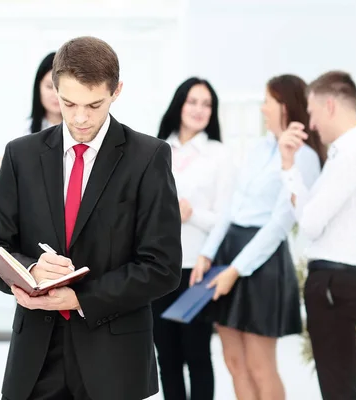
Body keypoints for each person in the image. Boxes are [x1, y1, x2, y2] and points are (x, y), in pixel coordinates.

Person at [0, 36, 182, 400]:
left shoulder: (148, 157)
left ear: (117, 91)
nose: (81, 117)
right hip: (36, 360)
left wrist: (81, 298)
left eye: (94, 104)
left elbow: (162, 268)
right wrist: (31, 272)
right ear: (54, 89)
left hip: (115, 359)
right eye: (68, 103)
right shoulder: (20, 156)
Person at [192, 74, 325, 400]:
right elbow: (231, 206)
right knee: (234, 361)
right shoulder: (256, 148)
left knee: (260, 364)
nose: (262, 109)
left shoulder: (303, 157)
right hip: (228, 252)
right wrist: (207, 253)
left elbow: (279, 225)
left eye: (267, 101)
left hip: (261, 263)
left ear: (284, 105)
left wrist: (234, 271)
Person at [279, 70, 356, 400]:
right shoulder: (350, 153)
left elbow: (310, 223)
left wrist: (289, 171)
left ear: (329, 106)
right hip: (337, 282)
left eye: (311, 113)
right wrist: (290, 170)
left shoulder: (353, 154)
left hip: (334, 284)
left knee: (339, 389)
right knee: (338, 385)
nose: (311, 124)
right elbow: (311, 215)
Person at [153, 77, 234, 400]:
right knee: (166, 358)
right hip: (158, 269)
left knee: (197, 356)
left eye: (207, 104)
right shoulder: (158, 149)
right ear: (179, 104)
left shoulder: (219, 154)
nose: (199, 110)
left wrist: (191, 214)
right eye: (192, 101)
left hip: (198, 270)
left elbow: (226, 217)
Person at [23, 52, 62, 135]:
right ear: (38, 87)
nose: (56, 94)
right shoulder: (24, 131)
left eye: (61, 88)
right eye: (49, 86)